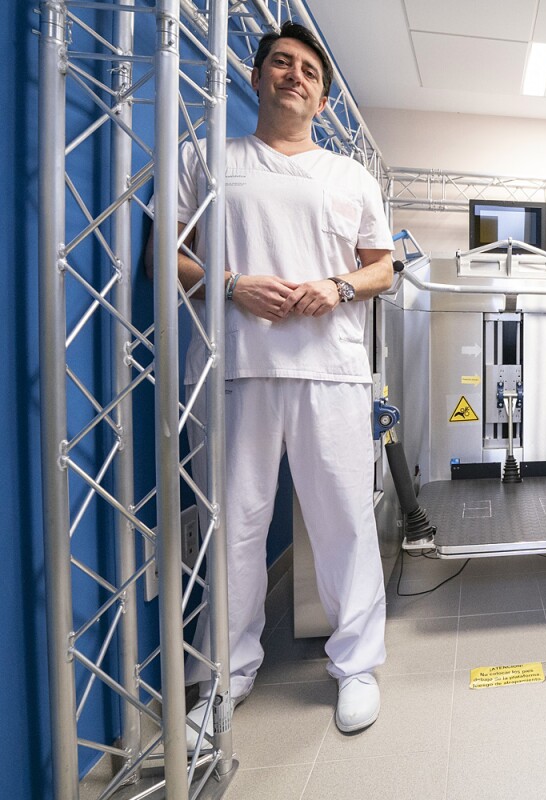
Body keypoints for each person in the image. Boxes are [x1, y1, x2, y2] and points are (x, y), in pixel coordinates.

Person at [176, 21, 395, 738]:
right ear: (257, 77)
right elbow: (165, 257)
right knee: (233, 526)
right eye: (280, 63)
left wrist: (338, 286)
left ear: (324, 99)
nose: (293, 75)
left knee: (344, 523)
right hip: (237, 366)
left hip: (330, 370)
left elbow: (382, 267)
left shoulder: (348, 176)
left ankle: (357, 665)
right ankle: (227, 676)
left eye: (307, 69)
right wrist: (231, 283)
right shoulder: (207, 159)